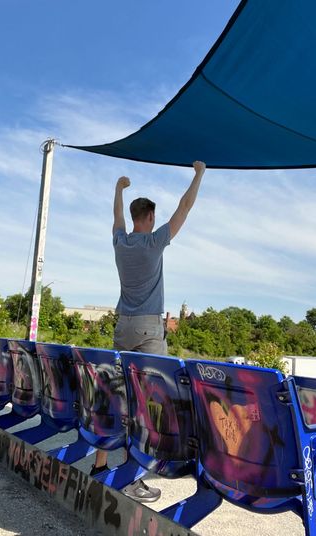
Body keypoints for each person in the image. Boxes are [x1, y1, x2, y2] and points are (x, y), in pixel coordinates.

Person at [89, 161, 206, 503]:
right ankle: (134, 475)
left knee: (118, 395)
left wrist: (118, 189)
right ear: (151, 217)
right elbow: (185, 207)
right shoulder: (155, 242)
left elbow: (116, 218)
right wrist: (199, 174)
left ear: (133, 217)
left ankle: (99, 466)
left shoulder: (120, 243)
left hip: (122, 326)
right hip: (149, 328)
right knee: (149, 403)